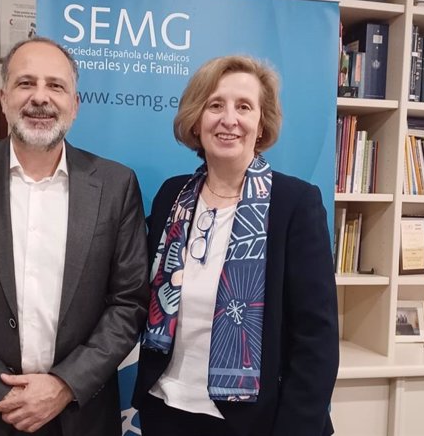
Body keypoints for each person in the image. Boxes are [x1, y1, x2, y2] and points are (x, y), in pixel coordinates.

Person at [0, 37, 149, 436]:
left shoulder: (116, 185)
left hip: (76, 413)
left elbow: (129, 302)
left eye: (55, 85)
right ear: (3, 98)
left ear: (76, 103)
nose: (40, 97)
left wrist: (65, 384)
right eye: (25, 83)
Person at [132, 55, 339, 436]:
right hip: (166, 408)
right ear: (197, 118)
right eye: (215, 105)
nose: (229, 119)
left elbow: (316, 340)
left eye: (244, 107)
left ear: (261, 124)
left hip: (254, 421)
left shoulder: (294, 203)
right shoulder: (171, 196)